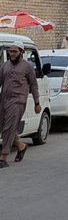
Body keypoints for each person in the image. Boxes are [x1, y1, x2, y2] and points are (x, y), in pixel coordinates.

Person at [0, 39, 41, 168]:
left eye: (14, 51)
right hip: (4, 100)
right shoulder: (5, 65)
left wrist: (37, 102)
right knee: (3, 127)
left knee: (9, 128)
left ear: (21, 52)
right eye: (10, 51)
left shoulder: (27, 66)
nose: (12, 53)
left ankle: (3, 156)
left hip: (18, 101)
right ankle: (21, 146)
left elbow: (34, 85)